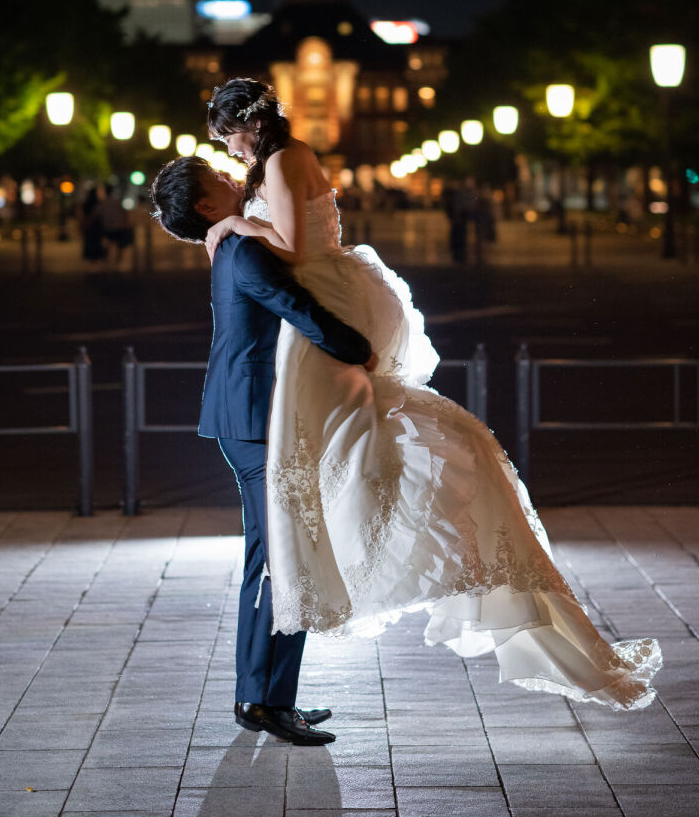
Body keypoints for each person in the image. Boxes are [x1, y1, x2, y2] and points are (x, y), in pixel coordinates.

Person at [199, 78, 662, 712]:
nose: (233, 152)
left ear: (246, 126)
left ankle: (359, 557)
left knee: (330, 458)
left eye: (229, 138)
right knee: (339, 455)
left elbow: (291, 245)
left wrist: (232, 220)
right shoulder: (286, 157)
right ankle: (339, 572)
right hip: (336, 294)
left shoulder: (282, 159)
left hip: (327, 306)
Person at [150, 156, 376, 745]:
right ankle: (258, 698)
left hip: (254, 415)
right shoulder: (242, 250)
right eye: (219, 181)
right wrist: (355, 346)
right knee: (276, 558)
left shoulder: (237, 241)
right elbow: (296, 309)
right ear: (205, 207)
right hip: (250, 421)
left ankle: (274, 698)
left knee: (285, 556)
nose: (232, 179)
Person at [96, 183, 133, 266]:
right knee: (119, 245)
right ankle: (118, 260)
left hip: (108, 226)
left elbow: (97, 213)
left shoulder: (103, 203)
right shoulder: (117, 202)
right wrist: (126, 223)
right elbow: (124, 213)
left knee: (108, 243)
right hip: (118, 225)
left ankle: (107, 259)